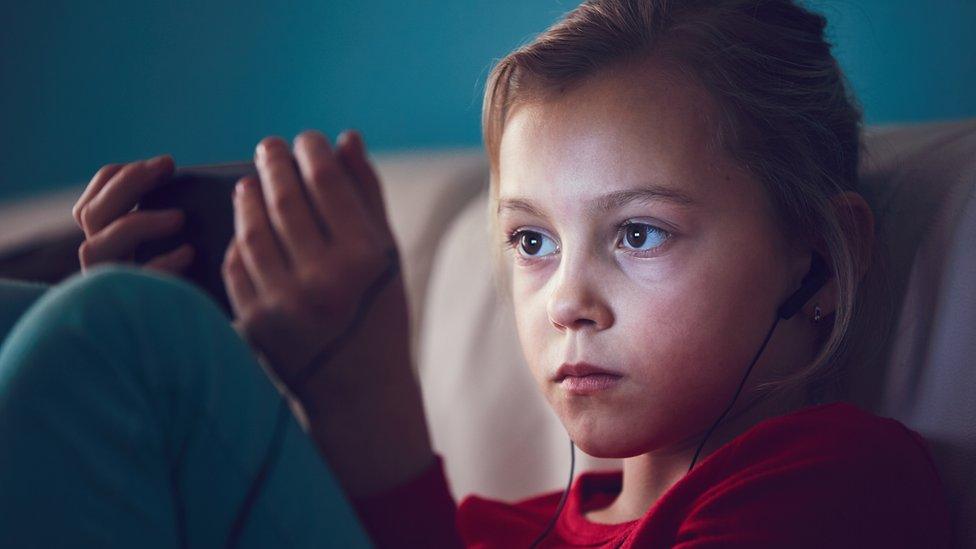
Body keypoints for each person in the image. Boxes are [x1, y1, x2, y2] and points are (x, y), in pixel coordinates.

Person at [0, 0, 953, 547]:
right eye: (532, 242)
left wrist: (362, 400)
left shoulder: (841, 484)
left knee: (115, 332)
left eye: (640, 233)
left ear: (821, 258)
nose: (568, 301)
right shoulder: (489, 532)